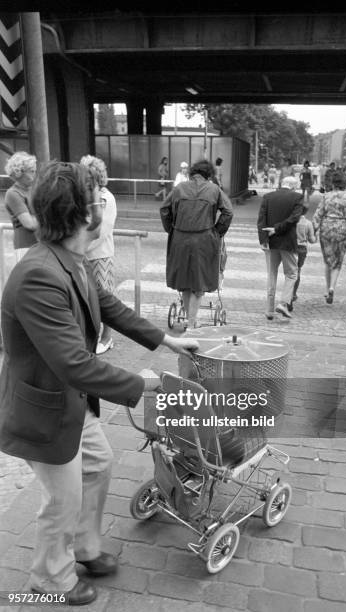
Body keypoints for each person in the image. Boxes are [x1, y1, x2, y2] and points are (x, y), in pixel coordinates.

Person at [0, 160, 199, 606]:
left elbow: (106, 304)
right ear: (85, 216)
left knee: (98, 463)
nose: (105, 209)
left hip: (67, 401)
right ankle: (49, 580)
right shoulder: (38, 274)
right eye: (98, 202)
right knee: (62, 498)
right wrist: (148, 384)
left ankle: (85, 548)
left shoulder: (67, 257)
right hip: (44, 408)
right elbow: (75, 364)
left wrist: (167, 341)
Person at [160, 158, 233, 328]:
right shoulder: (214, 189)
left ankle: (189, 320)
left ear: (192, 173)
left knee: (184, 282)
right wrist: (217, 231)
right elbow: (228, 212)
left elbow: (164, 209)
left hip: (180, 239)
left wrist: (171, 229)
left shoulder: (179, 188)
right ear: (209, 175)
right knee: (199, 283)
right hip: (204, 239)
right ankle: (192, 324)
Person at [80, 155, 117, 355]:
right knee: (87, 297)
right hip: (85, 254)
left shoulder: (106, 198)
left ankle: (107, 337)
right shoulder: (88, 196)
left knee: (105, 296)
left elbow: (103, 231)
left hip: (100, 255)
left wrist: (81, 248)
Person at [257, 175, 304, 320]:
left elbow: (261, 220)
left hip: (270, 242)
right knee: (291, 273)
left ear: (281, 184)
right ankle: (283, 303)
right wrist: (277, 229)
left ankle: (269, 309)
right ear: (294, 186)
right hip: (287, 241)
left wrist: (263, 239)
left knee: (272, 274)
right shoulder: (297, 197)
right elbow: (294, 218)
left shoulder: (268, 197)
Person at [312, 171, 346, 304]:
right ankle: (332, 287)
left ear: (333, 183)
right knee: (337, 262)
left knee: (327, 260)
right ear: (344, 184)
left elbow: (318, 214)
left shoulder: (326, 196)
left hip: (326, 229)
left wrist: (312, 231)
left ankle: (327, 290)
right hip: (341, 229)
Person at [4, 151, 38, 261]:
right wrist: (49, 218)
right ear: (19, 173)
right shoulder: (13, 193)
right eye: (31, 171)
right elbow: (29, 224)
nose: (34, 174)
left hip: (40, 244)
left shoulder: (33, 190)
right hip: (25, 246)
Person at [290, 203, 316, 308]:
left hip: (291, 248)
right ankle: (293, 294)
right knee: (298, 271)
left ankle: (288, 294)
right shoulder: (308, 223)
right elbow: (312, 240)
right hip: (302, 249)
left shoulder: (292, 221)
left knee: (290, 272)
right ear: (306, 212)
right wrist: (316, 236)